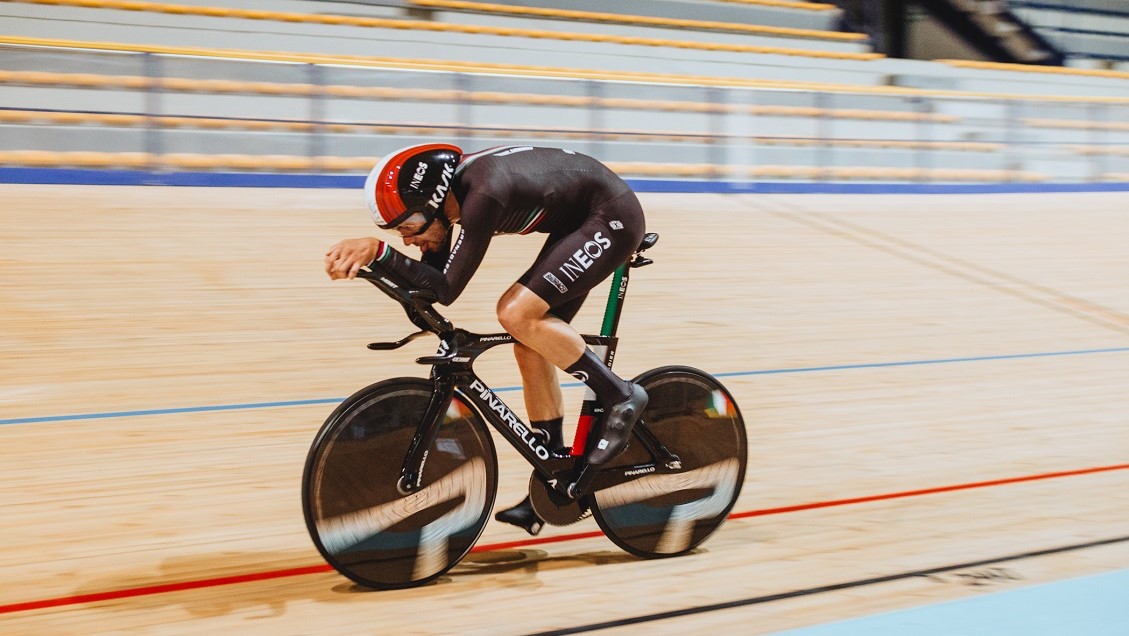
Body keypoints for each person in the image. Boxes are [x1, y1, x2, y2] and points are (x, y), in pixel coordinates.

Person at [324, 143, 649, 536]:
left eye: (407, 228)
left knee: (515, 312)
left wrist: (378, 252)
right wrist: (376, 271)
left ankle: (620, 395)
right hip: (580, 221)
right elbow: (425, 295)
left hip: (610, 217)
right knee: (530, 347)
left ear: (433, 203)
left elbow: (445, 288)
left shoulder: (484, 194)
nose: (406, 241)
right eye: (397, 234)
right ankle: (554, 476)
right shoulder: (448, 204)